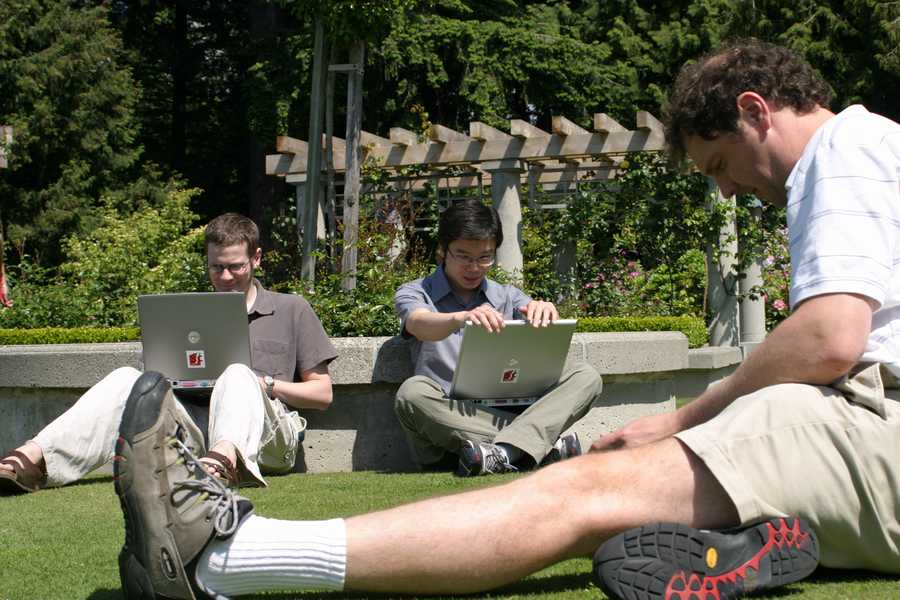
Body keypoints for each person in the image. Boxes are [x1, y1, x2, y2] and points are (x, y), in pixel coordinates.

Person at [111, 40, 899, 600]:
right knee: (593, 484)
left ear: (756, 111)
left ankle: (227, 556)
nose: (726, 189)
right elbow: (417, 331)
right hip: (464, 411)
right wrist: (463, 325)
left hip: (872, 425)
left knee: (584, 490)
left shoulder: (845, 147)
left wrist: (679, 417)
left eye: (719, 165)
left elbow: (830, 335)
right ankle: (740, 534)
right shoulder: (420, 292)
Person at [0, 213, 337, 493]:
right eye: (216, 267)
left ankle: (226, 461)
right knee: (126, 379)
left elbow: (322, 394)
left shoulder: (291, 309)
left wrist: (266, 384)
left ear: (256, 258)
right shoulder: (184, 315)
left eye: (235, 266)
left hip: (267, 439)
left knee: (237, 373)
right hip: (193, 434)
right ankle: (31, 461)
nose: (225, 276)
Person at [393, 199, 603, 476]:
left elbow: (539, 337)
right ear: (443, 250)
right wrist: (459, 318)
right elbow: (418, 323)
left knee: (586, 376)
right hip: (449, 426)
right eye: (464, 256)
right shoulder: (415, 292)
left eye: (485, 257)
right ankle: (535, 448)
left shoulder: (508, 297)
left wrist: (543, 311)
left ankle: (502, 454)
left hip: (507, 407)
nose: (474, 267)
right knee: (411, 394)